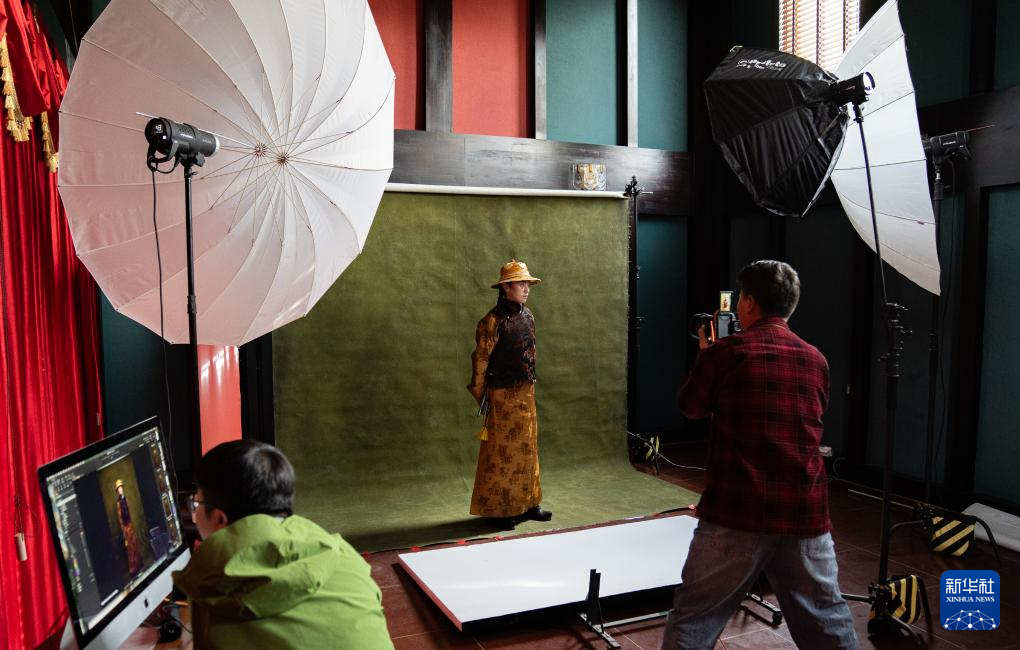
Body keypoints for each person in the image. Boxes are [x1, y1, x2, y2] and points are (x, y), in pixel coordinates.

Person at [661, 260, 857, 650]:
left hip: (737, 509)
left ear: (748, 303)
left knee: (695, 618)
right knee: (827, 620)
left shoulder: (726, 353)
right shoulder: (816, 359)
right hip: (805, 511)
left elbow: (691, 407)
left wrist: (705, 354)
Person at [174, 440, 393, 649]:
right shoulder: (342, 552)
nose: (194, 511)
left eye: (197, 502)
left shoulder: (211, 583)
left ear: (220, 518)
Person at [467, 259, 552, 527]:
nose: (526, 289)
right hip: (502, 395)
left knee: (528, 449)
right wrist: (483, 395)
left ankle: (529, 503)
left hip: (526, 393)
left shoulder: (528, 316)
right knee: (502, 454)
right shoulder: (491, 321)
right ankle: (501, 510)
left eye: (527, 284)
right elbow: (481, 360)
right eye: (520, 284)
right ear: (506, 287)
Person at [114, 479, 143, 575]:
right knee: (129, 547)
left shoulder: (125, 499)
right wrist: (123, 529)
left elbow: (128, 511)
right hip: (125, 527)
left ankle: (139, 563)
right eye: (119, 489)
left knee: (134, 543)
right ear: (117, 491)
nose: (121, 490)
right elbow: (120, 518)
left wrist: (130, 523)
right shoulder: (118, 503)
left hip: (130, 524)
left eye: (121, 488)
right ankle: (133, 567)